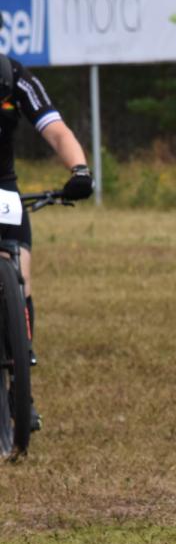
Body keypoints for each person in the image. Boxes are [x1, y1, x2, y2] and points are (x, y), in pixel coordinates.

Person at [0, 51, 94, 431]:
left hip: (2, 189)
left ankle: (20, 384)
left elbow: (54, 128)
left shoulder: (13, 75)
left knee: (20, 275)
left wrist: (79, 170)